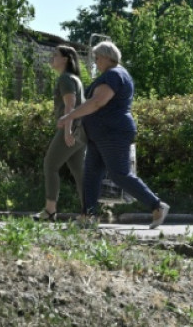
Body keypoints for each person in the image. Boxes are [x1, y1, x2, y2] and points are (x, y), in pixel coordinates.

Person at [57, 41, 169, 228]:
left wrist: (70, 116)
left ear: (109, 57)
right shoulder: (113, 74)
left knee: (119, 174)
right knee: (91, 175)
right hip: (100, 134)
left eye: (98, 58)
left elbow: (97, 102)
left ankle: (157, 205)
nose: (96, 62)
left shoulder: (114, 75)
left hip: (112, 132)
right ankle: (88, 216)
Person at [34, 45, 87, 221]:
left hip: (72, 129)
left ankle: (50, 211)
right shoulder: (75, 78)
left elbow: (70, 106)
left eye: (55, 55)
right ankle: (90, 212)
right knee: (80, 173)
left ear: (65, 59)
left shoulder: (65, 78)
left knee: (50, 165)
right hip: (81, 130)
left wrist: (67, 130)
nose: (52, 57)